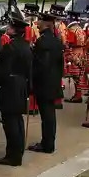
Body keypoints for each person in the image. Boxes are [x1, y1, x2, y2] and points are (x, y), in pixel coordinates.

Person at [0, 15, 32, 166]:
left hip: (10, 86)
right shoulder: (26, 46)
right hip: (22, 84)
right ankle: (18, 151)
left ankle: (12, 155)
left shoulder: (10, 47)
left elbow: (2, 71)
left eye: (10, 27)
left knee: (10, 122)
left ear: (14, 30)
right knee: (17, 121)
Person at [29, 9, 65, 154]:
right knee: (50, 115)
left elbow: (41, 65)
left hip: (44, 84)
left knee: (47, 116)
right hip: (53, 82)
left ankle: (47, 144)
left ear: (46, 23)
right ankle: (48, 142)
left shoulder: (43, 42)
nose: (37, 23)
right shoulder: (56, 40)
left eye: (40, 21)